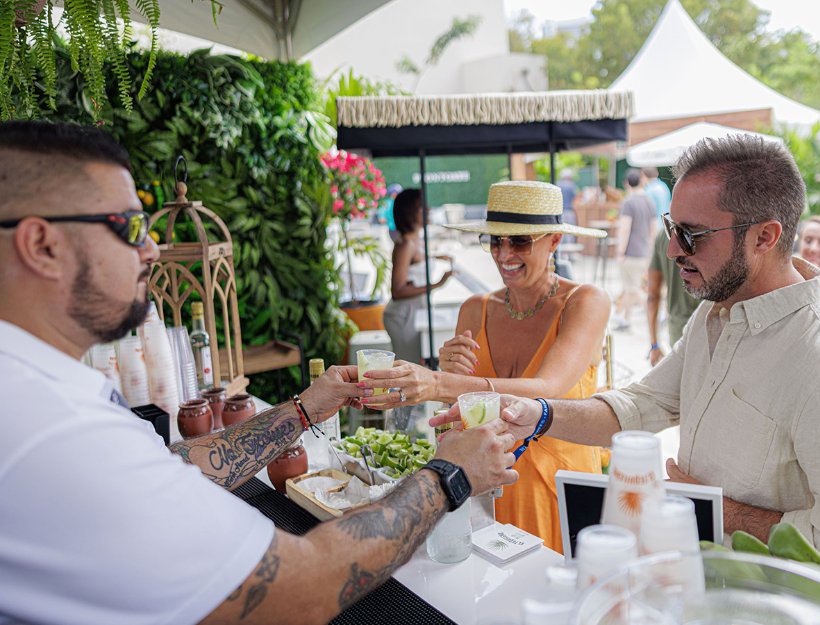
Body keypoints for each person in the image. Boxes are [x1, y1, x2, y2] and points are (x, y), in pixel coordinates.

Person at [0, 121, 518, 625]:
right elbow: (303, 590)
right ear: (43, 245)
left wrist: (304, 409)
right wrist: (448, 475)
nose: (152, 249)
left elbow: (178, 465)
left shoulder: (34, 392)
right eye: (130, 227)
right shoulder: (52, 430)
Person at [449, 135, 820, 558]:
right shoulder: (717, 312)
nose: (671, 250)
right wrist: (539, 414)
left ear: (764, 237)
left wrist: (714, 509)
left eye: (692, 235)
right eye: (672, 226)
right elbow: (641, 406)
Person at [359, 181, 611, 554]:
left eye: (519, 241)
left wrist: (438, 381)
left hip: (558, 489)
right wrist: (450, 376)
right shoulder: (475, 307)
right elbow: (458, 418)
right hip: (485, 489)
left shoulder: (584, 301)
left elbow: (550, 387)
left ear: (554, 241)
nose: (504, 253)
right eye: (495, 240)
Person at [383, 188, 453, 365]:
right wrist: (437, 284)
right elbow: (397, 290)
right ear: (410, 212)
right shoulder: (406, 244)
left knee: (418, 365)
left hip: (416, 312)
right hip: (403, 316)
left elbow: (417, 261)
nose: (428, 209)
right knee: (408, 367)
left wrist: (437, 256)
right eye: (422, 206)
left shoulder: (417, 240)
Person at [646, 228, 700, 365]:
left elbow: (652, 295)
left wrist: (654, 345)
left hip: (678, 330)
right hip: (710, 325)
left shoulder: (663, 235)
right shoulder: (705, 229)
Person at [615, 169, 658, 328]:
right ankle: (625, 319)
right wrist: (651, 251)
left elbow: (624, 229)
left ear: (627, 183)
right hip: (644, 252)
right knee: (629, 287)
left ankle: (655, 313)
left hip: (630, 253)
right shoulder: (649, 201)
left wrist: (620, 252)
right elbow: (653, 230)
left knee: (633, 289)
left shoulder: (628, 202)